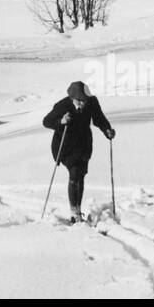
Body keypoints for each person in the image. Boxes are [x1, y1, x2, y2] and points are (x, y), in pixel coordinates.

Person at [42, 81, 115, 223]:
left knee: (80, 175)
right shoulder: (62, 106)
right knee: (75, 173)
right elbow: (46, 121)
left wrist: (107, 130)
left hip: (83, 145)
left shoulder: (92, 102)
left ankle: (78, 208)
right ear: (72, 98)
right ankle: (74, 212)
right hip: (66, 146)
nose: (82, 103)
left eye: (84, 100)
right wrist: (61, 121)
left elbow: (99, 119)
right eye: (79, 101)